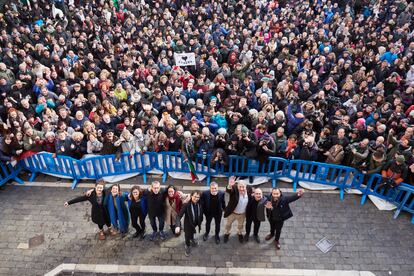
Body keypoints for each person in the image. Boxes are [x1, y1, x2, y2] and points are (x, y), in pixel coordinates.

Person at [175, 191, 203, 257]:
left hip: (195, 224)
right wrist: (178, 226)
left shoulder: (200, 203)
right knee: (187, 236)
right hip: (188, 225)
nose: (196, 198)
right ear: (191, 196)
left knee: (192, 232)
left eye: (198, 197)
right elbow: (178, 216)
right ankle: (187, 245)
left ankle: (192, 239)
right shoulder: (186, 205)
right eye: (195, 196)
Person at [223, 176, 251, 243]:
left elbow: (254, 195)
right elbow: (229, 190)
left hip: (242, 214)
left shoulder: (249, 189)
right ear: (237, 186)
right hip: (233, 213)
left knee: (240, 225)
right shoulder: (234, 189)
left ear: (246, 186)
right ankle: (227, 233)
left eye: (243, 187)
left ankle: (239, 233)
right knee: (228, 224)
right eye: (240, 187)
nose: (241, 189)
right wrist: (229, 185)